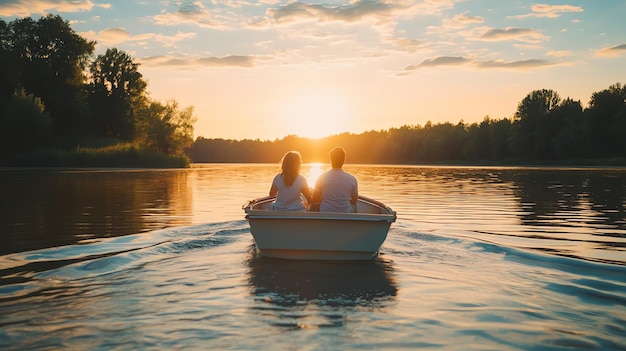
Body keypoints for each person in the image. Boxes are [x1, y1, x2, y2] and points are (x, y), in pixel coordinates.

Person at [311, 147, 358, 212]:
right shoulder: (352, 179)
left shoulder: (322, 177)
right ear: (344, 160)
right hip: (345, 212)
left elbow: (315, 199)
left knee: (313, 205)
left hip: (325, 211)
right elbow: (354, 200)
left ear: (331, 160)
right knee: (354, 206)